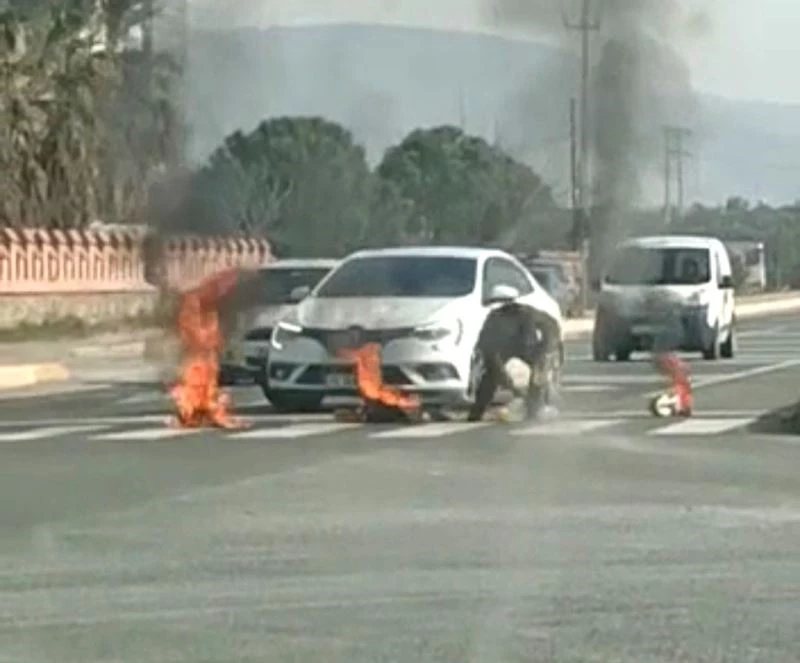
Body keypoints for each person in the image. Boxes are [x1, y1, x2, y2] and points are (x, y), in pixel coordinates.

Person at [467, 300, 562, 422]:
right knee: (490, 377)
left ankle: (533, 409)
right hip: (504, 344)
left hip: (527, 342)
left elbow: (552, 329)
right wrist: (512, 388)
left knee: (539, 371)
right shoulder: (494, 326)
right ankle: (477, 411)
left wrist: (545, 350)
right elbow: (493, 363)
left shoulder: (533, 316)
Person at [647, 286, 693, 416]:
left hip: (661, 356)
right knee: (683, 375)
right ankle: (683, 404)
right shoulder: (670, 323)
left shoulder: (662, 321)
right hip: (663, 356)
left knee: (682, 376)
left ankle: (680, 402)